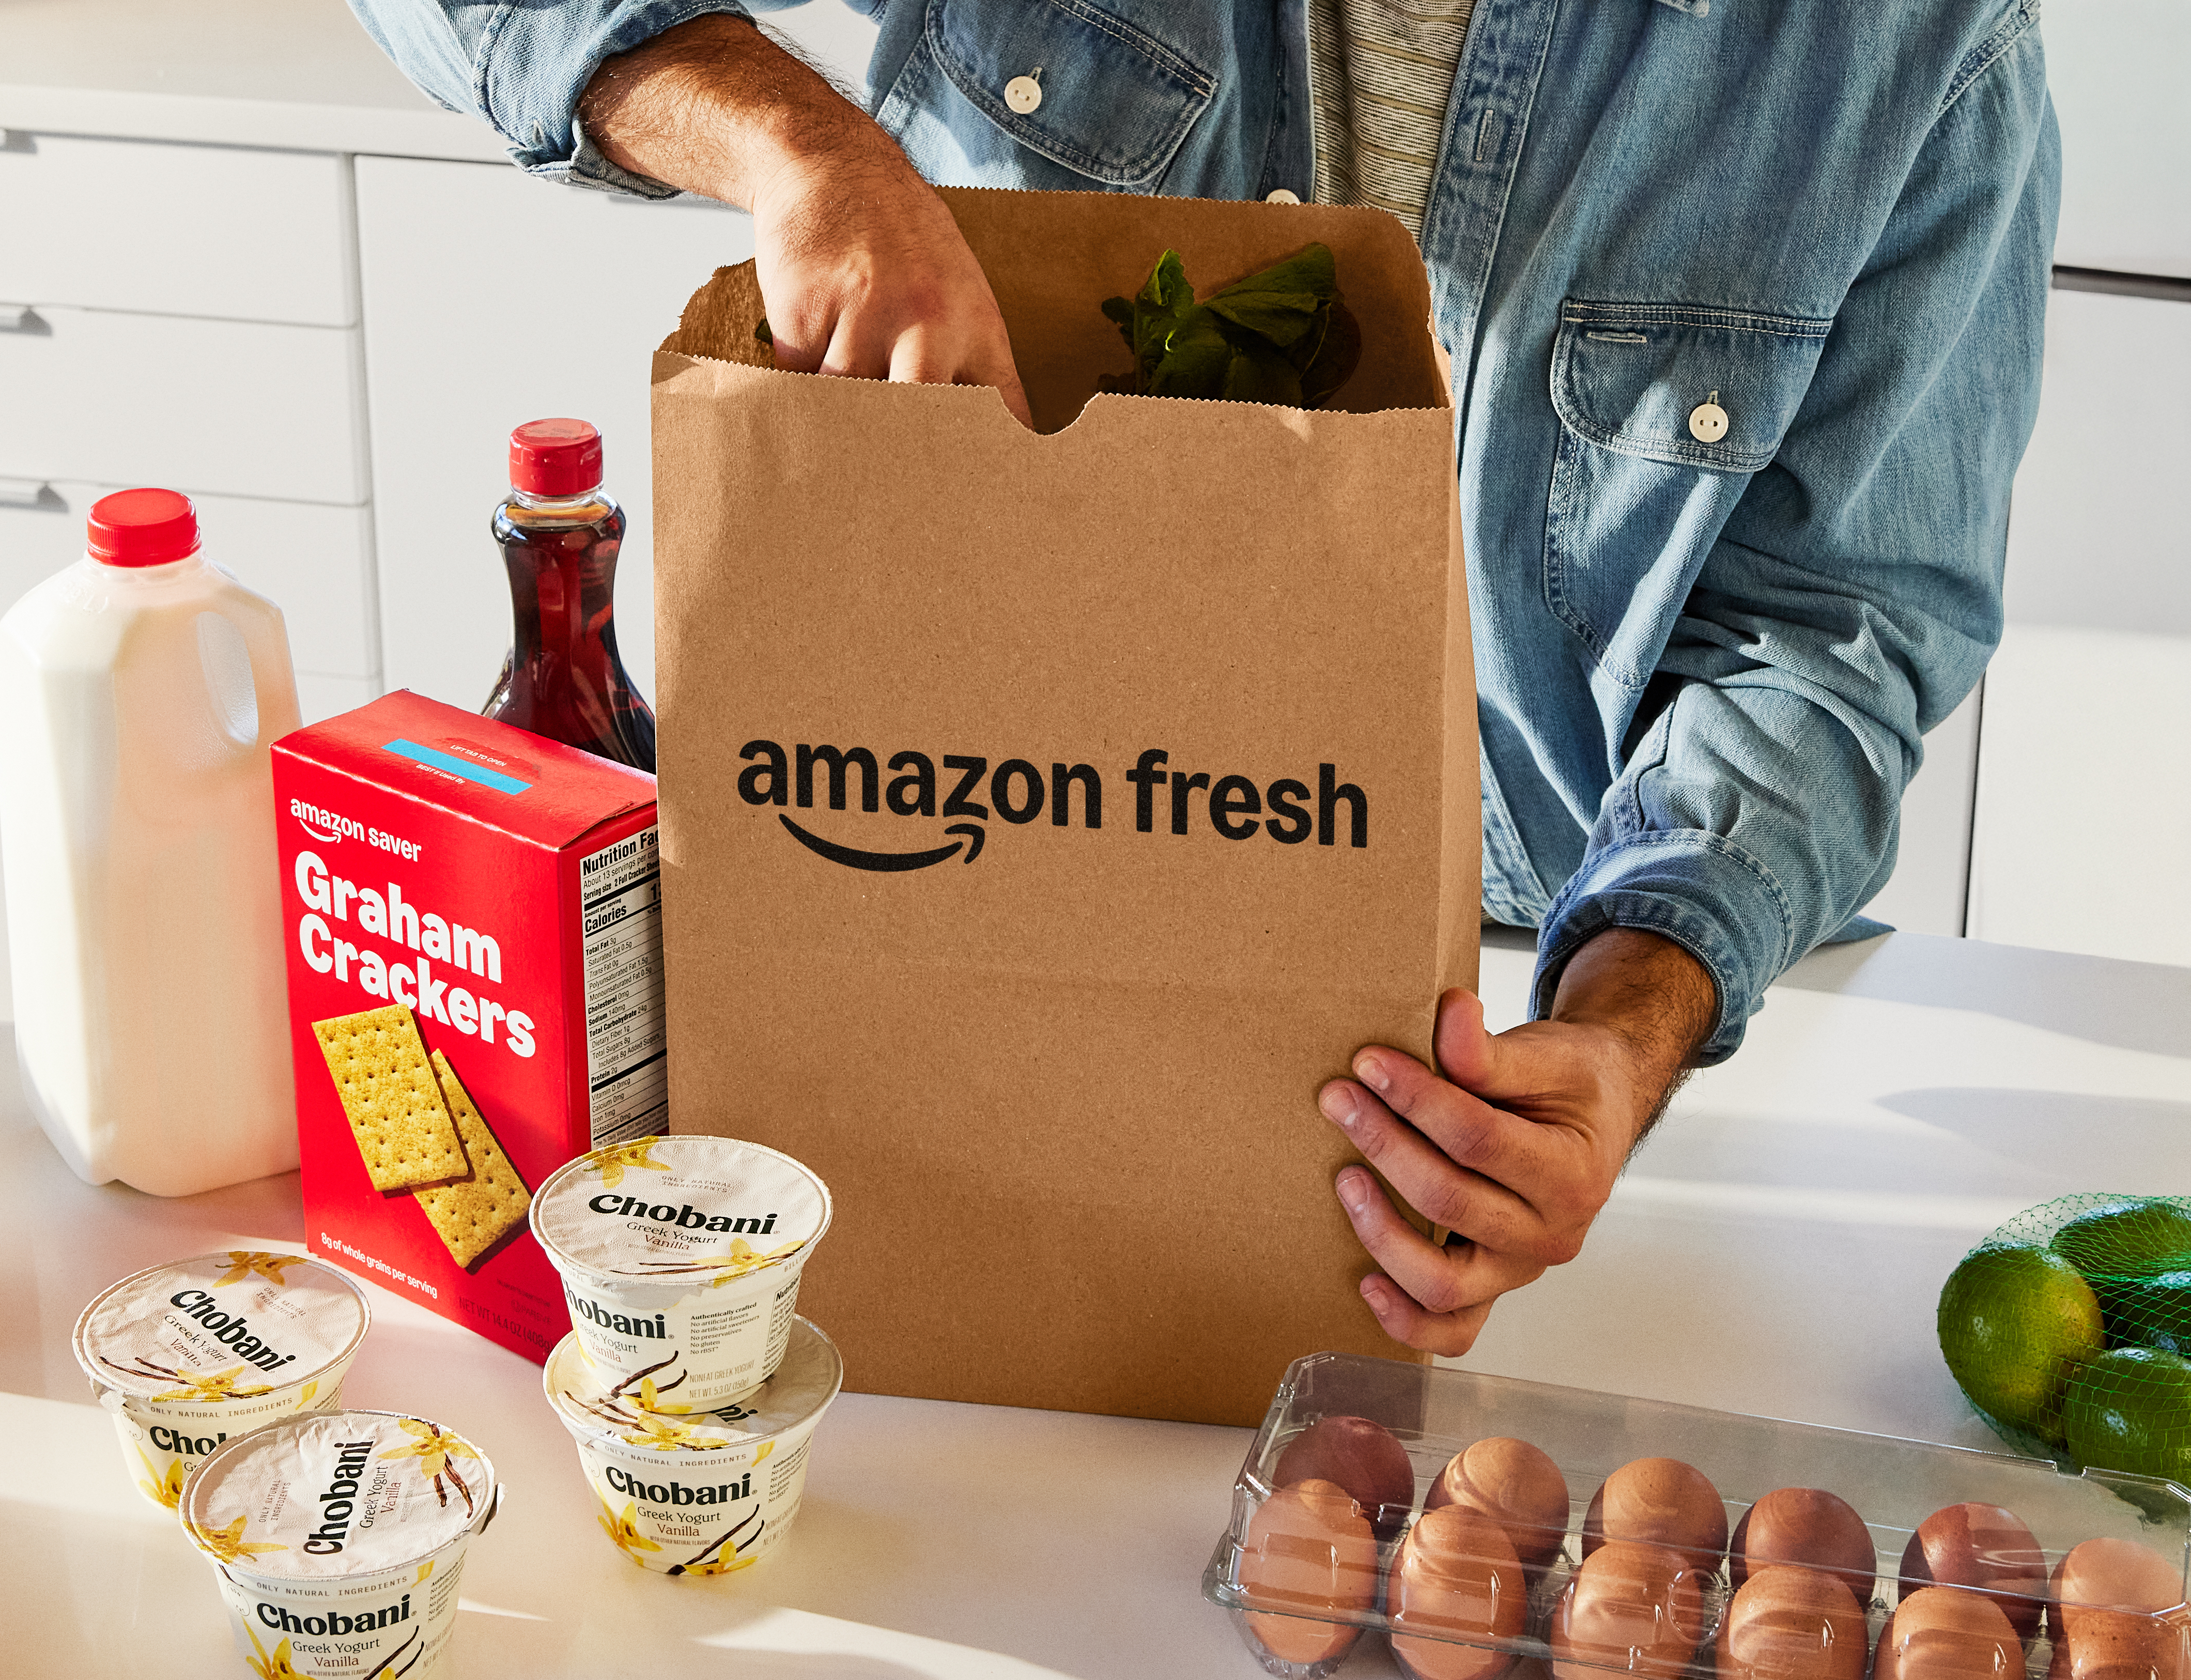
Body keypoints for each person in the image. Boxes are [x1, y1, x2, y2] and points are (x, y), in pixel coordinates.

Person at [345, 0, 2056, 1353]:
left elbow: (1829, 633)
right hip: (989, 863)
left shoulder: (1909, 49)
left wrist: (1618, 1032)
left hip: (1535, 957)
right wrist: (798, 148)